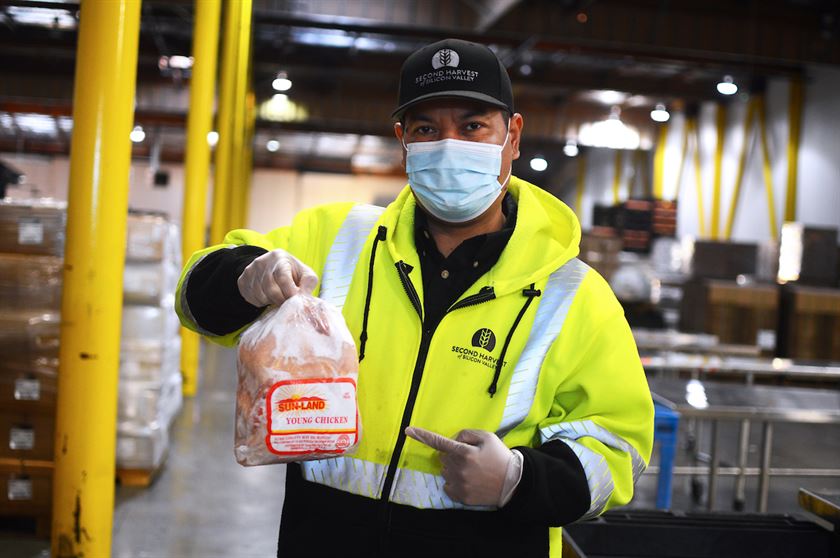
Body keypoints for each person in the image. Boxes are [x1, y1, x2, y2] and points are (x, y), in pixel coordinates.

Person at [176, 38, 653, 558]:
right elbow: (194, 298)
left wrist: (520, 481)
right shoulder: (337, 239)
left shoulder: (575, 295)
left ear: (512, 137)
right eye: (427, 128)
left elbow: (617, 447)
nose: (449, 145)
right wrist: (243, 277)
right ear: (403, 140)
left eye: (472, 126)